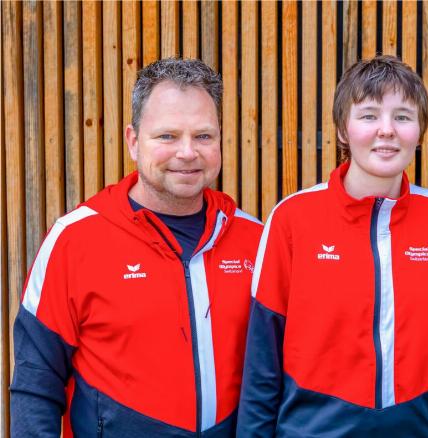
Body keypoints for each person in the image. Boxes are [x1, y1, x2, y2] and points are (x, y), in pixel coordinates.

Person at [10, 58, 263, 437]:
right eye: (167, 136)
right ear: (132, 140)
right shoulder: (75, 240)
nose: (187, 152)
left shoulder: (255, 239)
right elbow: (36, 384)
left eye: (204, 136)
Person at [238, 55, 428, 437]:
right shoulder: (293, 218)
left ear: (419, 131)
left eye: (402, 116)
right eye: (369, 115)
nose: (386, 130)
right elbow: (262, 365)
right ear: (343, 129)